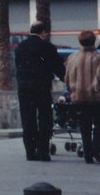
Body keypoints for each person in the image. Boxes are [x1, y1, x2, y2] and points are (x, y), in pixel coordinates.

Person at [13, 21, 65, 161]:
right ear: (43, 33)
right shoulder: (48, 47)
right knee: (44, 118)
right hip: (41, 86)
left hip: (24, 87)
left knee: (28, 119)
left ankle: (30, 152)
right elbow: (58, 67)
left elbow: (18, 65)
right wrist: (67, 79)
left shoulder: (20, 47)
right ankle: (43, 151)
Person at [65, 30, 100, 164]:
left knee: (84, 125)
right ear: (94, 41)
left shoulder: (72, 57)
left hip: (78, 97)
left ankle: (88, 153)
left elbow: (66, 78)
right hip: (96, 97)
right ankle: (95, 146)